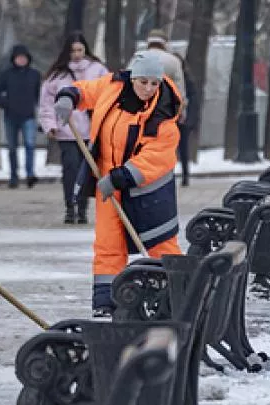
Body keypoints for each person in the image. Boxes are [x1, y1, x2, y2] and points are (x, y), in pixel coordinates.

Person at [54, 51, 183, 317]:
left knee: (160, 242)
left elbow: (156, 156)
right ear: (132, 78)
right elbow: (86, 91)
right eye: (143, 81)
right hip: (109, 181)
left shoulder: (163, 114)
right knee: (108, 244)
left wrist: (119, 177)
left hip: (148, 188)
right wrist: (69, 97)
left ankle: (181, 293)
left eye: (154, 83)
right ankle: (106, 302)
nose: (148, 89)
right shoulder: (112, 87)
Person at [39, 32, 108, 224]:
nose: (77, 54)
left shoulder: (98, 70)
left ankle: (83, 208)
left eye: (80, 50)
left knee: (86, 170)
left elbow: (108, 95)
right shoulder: (57, 75)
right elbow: (46, 103)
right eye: (73, 50)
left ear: (85, 49)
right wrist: (50, 125)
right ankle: (70, 206)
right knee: (70, 169)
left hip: (91, 130)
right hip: (66, 131)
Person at [0, 44, 42, 188]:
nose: (21, 60)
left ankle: (30, 174)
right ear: (14, 59)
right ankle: (13, 176)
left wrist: (43, 114)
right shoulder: (7, 74)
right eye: (18, 58)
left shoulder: (34, 75)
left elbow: (39, 96)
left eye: (23, 58)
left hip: (29, 116)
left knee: (30, 145)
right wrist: (5, 103)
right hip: (10, 116)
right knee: (12, 147)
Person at [173, 53, 199, 187]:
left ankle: (185, 175)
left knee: (183, 148)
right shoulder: (184, 78)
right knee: (175, 149)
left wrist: (190, 119)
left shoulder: (185, 80)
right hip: (177, 118)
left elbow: (193, 100)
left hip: (183, 119)